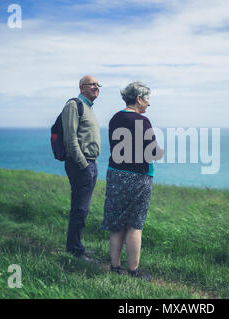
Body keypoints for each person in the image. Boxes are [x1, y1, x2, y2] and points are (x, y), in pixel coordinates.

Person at [101, 82, 164, 281]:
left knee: (117, 223)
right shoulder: (142, 121)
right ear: (138, 98)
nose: (149, 104)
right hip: (139, 176)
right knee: (135, 225)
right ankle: (134, 272)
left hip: (116, 173)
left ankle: (115, 267)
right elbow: (153, 152)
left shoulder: (114, 118)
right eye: (147, 99)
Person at [62, 75, 101, 262]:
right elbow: (70, 139)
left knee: (81, 209)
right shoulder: (73, 105)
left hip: (91, 163)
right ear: (81, 87)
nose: (96, 87)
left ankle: (75, 246)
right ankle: (75, 251)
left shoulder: (89, 108)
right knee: (80, 208)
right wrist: (84, 164)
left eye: (97, 85)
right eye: (92, 84)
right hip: (81, 164)